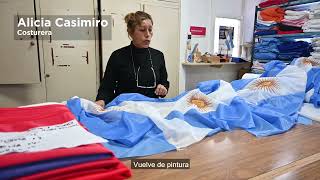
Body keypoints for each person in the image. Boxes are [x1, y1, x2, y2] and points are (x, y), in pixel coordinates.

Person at [95, 11, 170, 108]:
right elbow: (106, 88)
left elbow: (164, 82)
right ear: (131, 32)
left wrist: (163, 88)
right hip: (125, 108)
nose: (148, 34)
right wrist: (101, 102)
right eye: (142, 30)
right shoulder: (118, 56)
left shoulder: (158, 56)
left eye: (150, 30)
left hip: (151, 108)